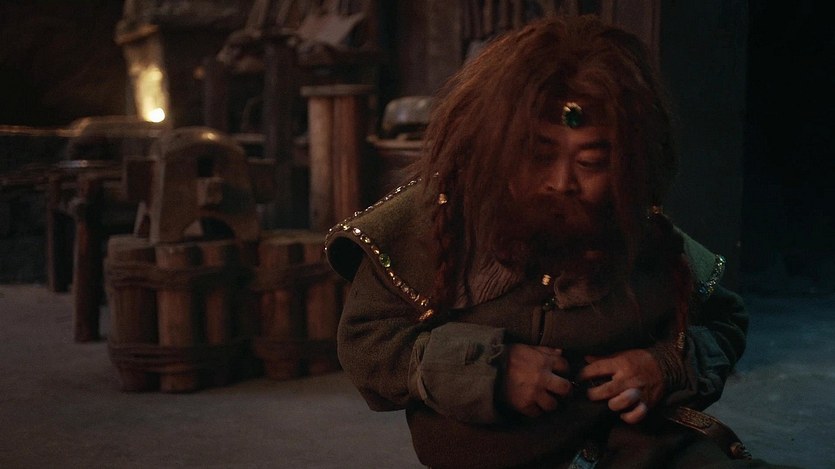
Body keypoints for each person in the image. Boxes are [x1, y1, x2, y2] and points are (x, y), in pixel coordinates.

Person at [324, 15, 792, 469]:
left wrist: (666, 365)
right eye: (538, 155)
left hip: (644, 450)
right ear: (495, 147)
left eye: (590, 162)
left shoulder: (640, 232)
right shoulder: (437, 217)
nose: (562, 182)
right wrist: (483, 368)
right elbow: (367, 340)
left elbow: (725, 321)